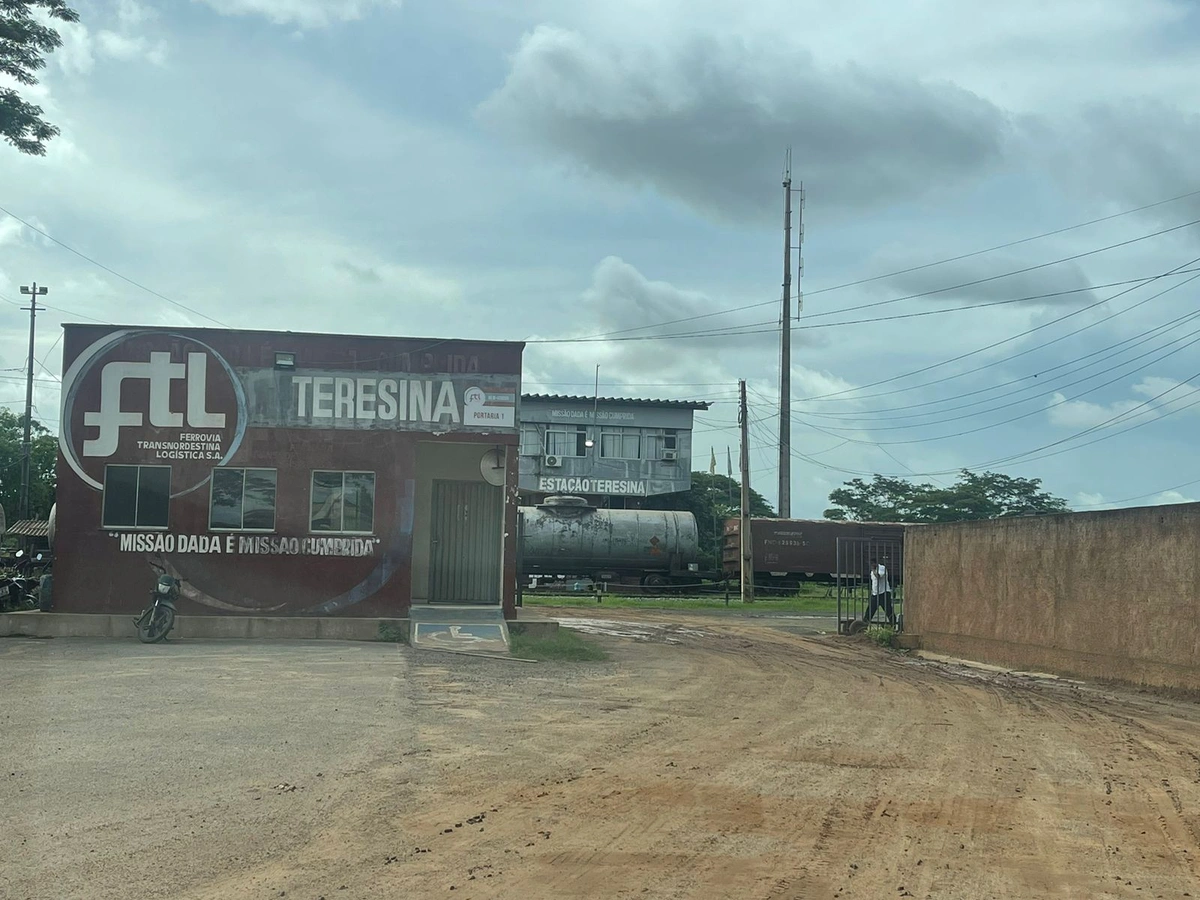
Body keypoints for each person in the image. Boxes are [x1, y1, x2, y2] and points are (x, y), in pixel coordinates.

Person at [866, 558, 895, 627]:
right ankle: (863, 626)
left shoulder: (882, 568)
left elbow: (878, 576)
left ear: (875, 563)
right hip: (875, 594)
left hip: (884, 593)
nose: (871, 565)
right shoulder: (872, 572)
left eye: (872, 564)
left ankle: (893, 625)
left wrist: (873, 570)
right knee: (869, 611)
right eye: (870, 564)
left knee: (888, 611)